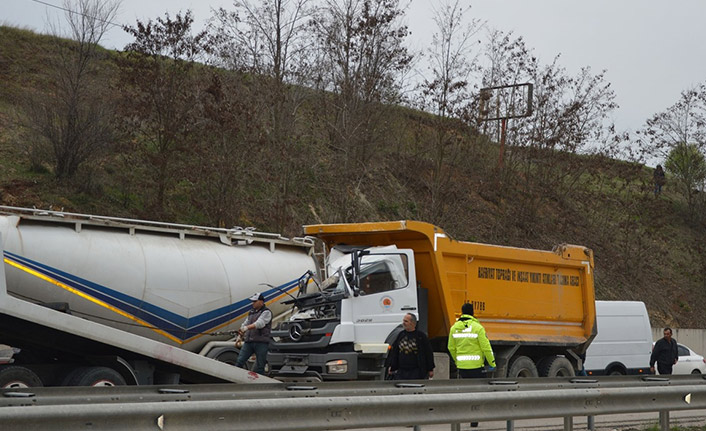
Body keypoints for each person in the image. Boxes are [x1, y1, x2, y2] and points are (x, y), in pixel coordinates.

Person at [448, 303, 495, 428]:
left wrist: (458, 361)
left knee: (466, 392)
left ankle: (467, 415)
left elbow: (451, 347)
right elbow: (486, 347)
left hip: (462, 367)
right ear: (473, 313)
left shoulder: (454, 328)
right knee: (478, 393)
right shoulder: (477, 327)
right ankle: (474, 419)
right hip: (476, 367)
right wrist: (492, 363)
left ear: (462, 312)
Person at [388, 313, 435, 380]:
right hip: (402, 372)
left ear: (413, 323)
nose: (403, 323)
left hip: (416, 372)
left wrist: (430, 369)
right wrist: (392, 366)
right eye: (403, 321)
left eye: (406, 321)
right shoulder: (401, 335)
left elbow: (428, 353)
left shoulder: (421, 336)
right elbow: (395, 352)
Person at [235, 292, 272, 375]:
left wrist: (246, 328)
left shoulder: (266, 312)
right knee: (240, 361)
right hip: (249, 341)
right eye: (253, 301)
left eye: (255, 301)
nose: (253, 303)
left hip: (261, 342)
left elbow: (260, 323)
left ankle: (259, 384)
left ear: (261, 302)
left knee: (260, 365)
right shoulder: (251, 312)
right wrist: (240, 335)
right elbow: (245, 323)